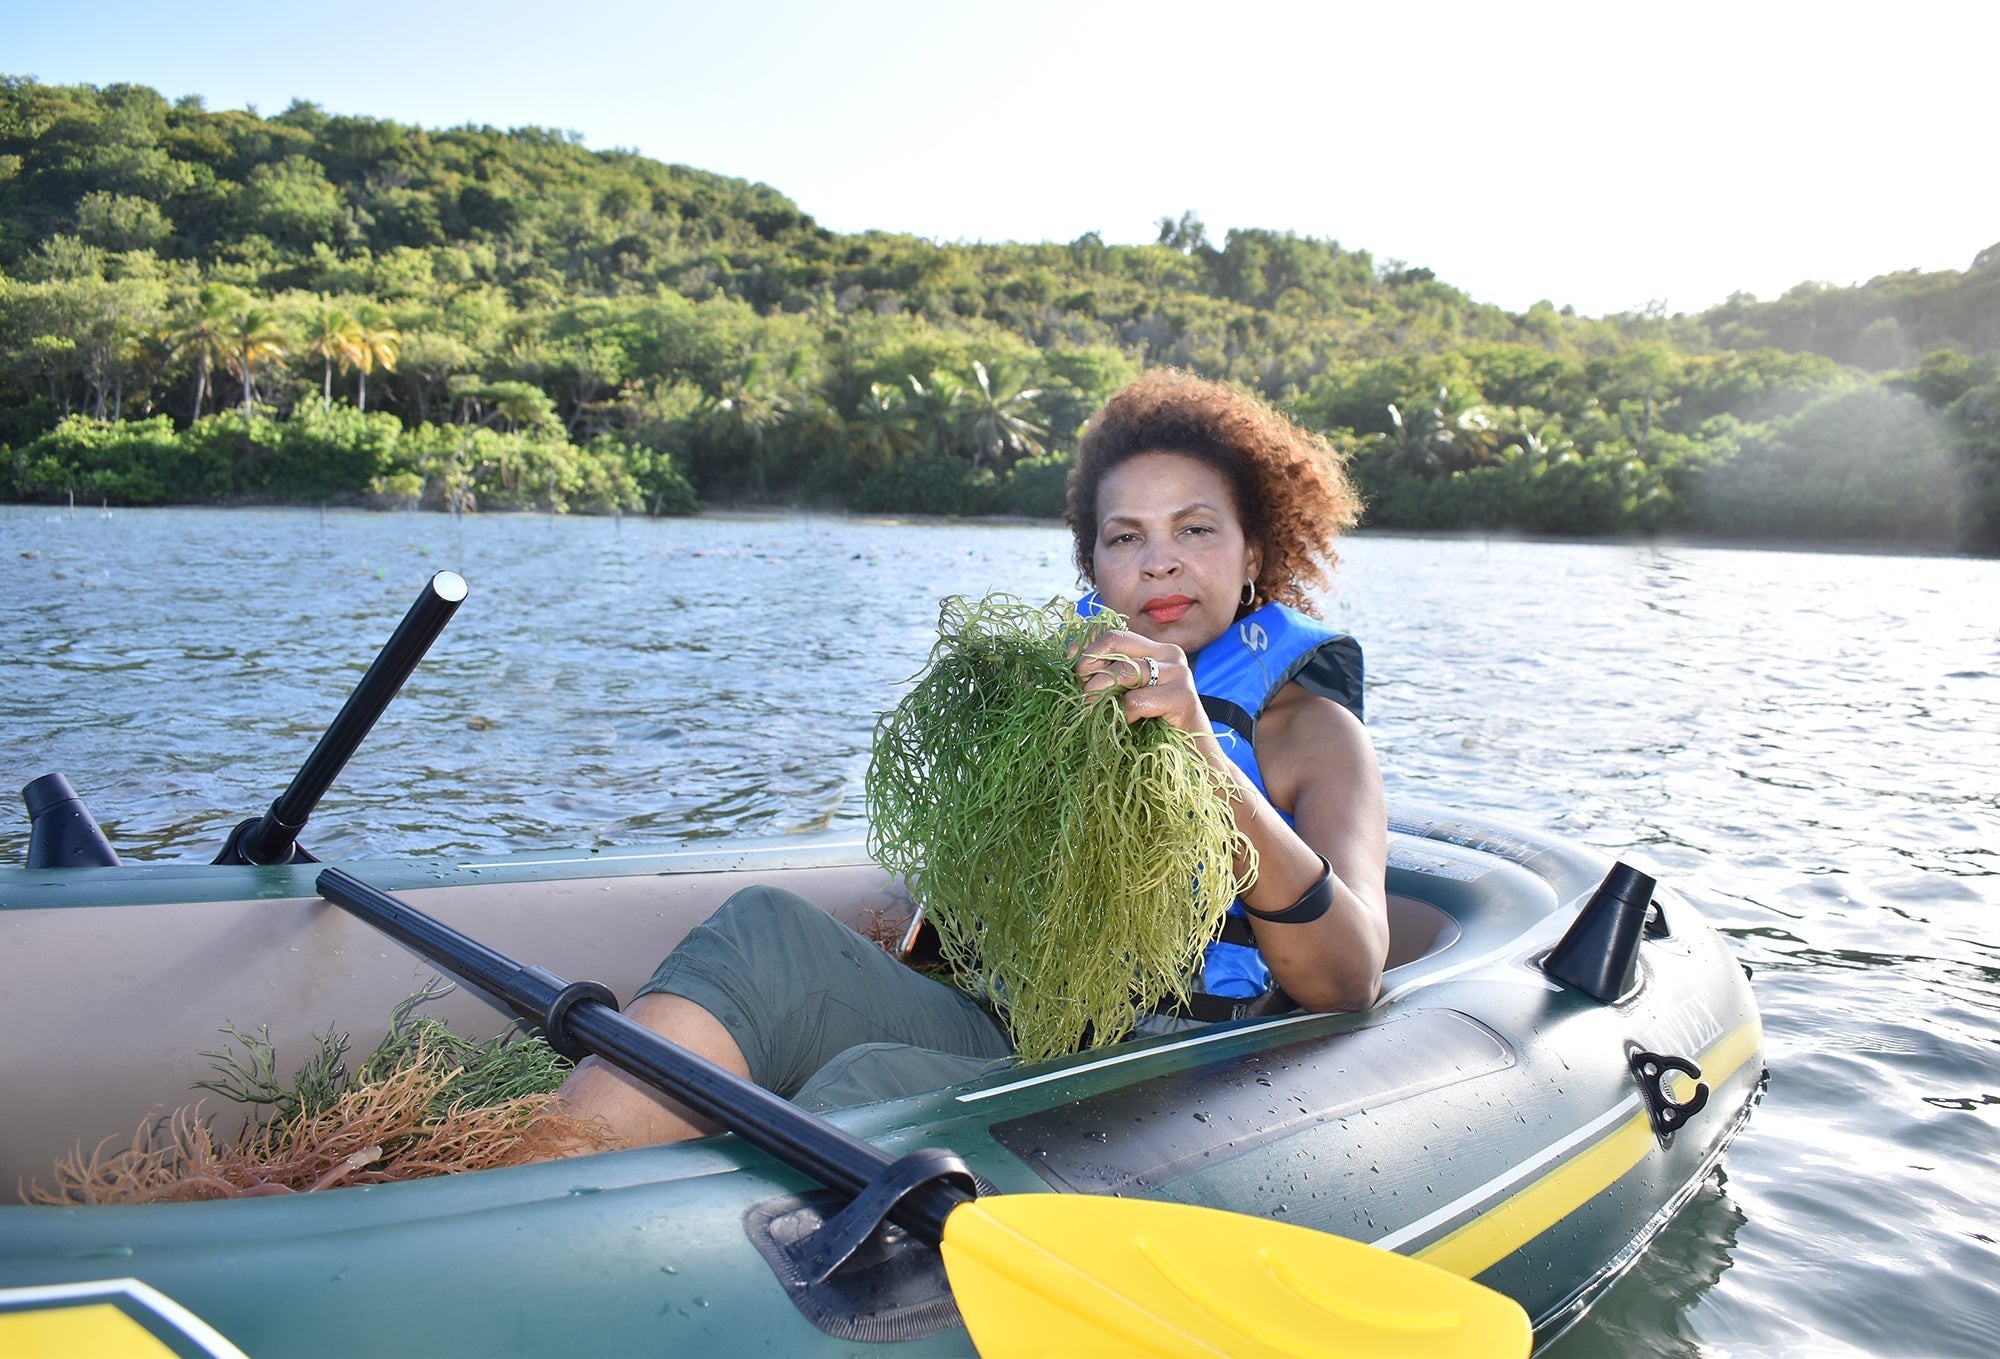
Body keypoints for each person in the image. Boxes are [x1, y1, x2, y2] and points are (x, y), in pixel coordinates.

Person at [558, 369, 1389, 1148]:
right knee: (762, 934)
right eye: (1125, 536)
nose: (1158, 560)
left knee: (866, 1087)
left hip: (1172, 1089)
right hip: (1024, 1030)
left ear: (1253, 555)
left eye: (1195, 528)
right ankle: (538, 1193)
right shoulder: (1060, 710)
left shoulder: (1312, 733)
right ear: (1095, 570)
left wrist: (1201, 751)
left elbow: (1350, 976)